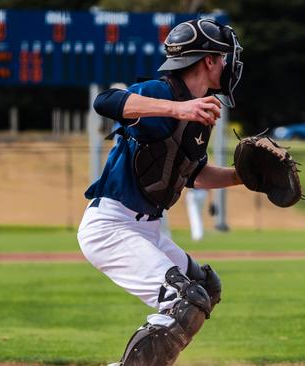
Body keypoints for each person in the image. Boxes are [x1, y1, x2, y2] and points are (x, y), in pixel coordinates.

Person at [76, 18, 243, 366]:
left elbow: (193, 174)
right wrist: (178, 108)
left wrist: (243, 177)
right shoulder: (163, 92)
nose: (228, 64)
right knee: (185, 301)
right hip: (111, 226)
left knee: (205, 288)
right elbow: (105, 102)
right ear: (208, 61)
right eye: (223, 57)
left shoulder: (201, 108)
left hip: (148, 229)